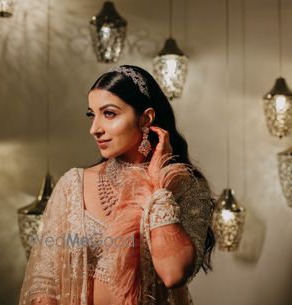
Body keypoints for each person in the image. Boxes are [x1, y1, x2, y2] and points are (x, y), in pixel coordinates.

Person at [18, 65, 215, 305]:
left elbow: (173, 273)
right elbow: (44, 281)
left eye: (109, 113)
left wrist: (157, 186)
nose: (95, 129)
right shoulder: (73, 185)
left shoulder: (185, 189)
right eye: (92, 114)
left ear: (146, 119)